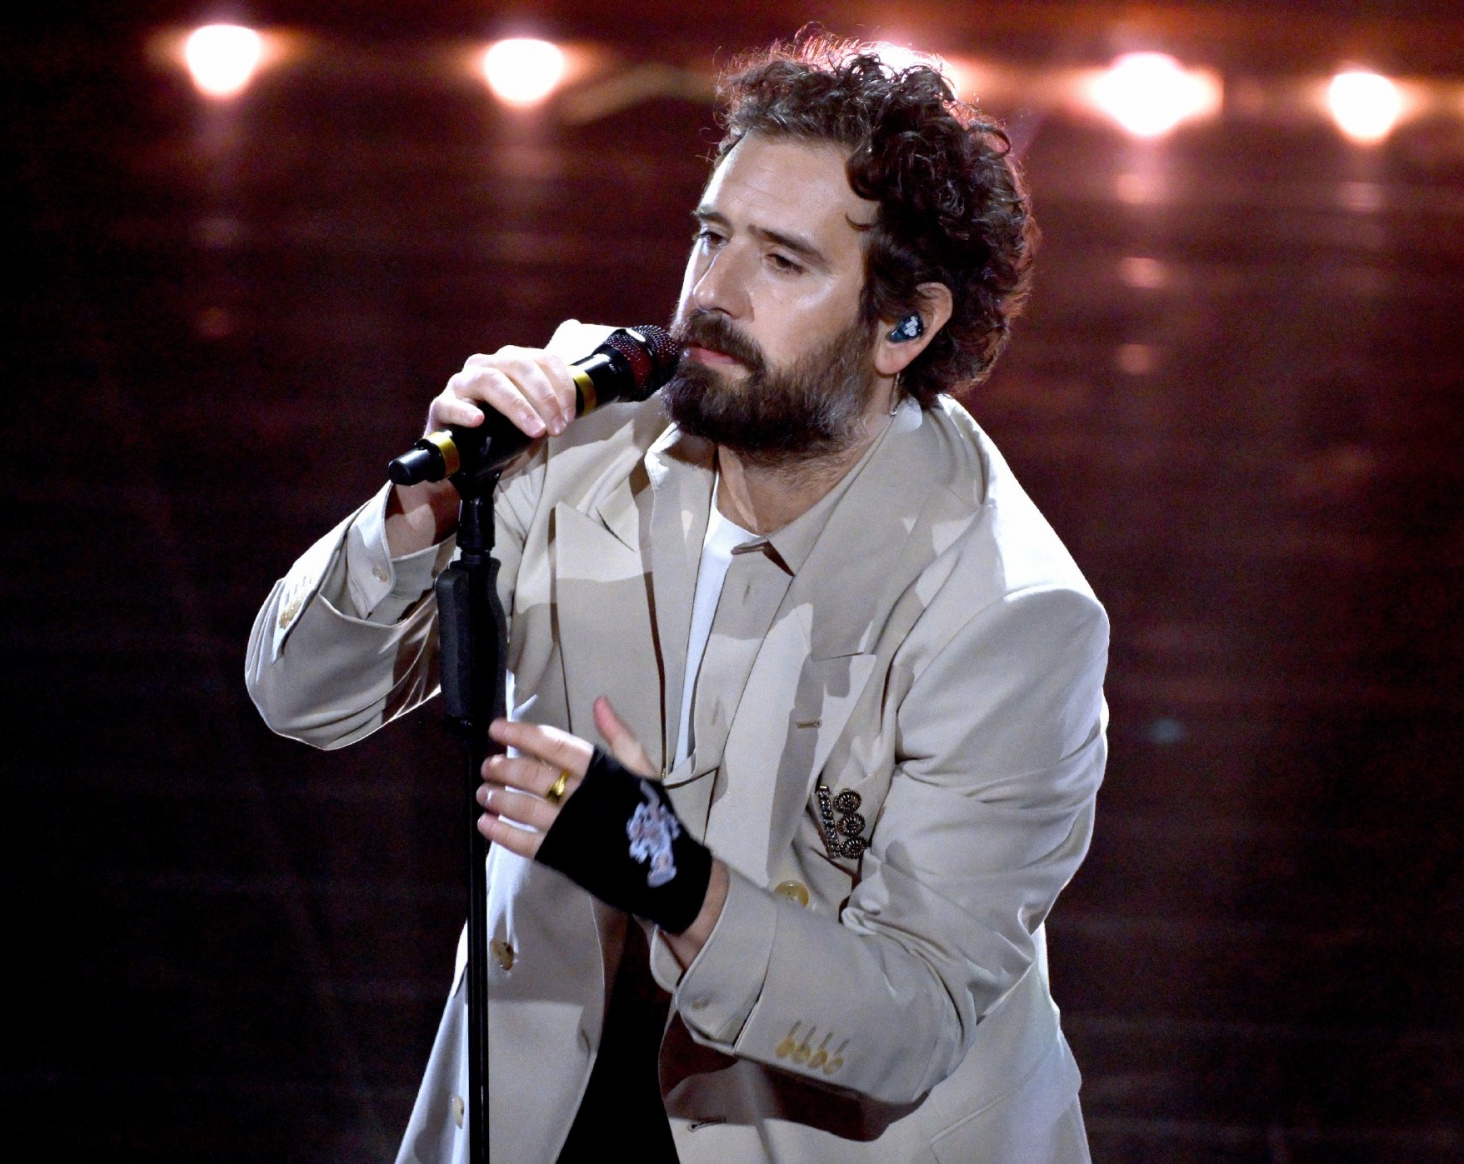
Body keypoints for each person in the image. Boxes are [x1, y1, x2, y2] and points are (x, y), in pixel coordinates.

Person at [247, 31, 1107, 1164]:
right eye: (711, 236)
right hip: (550, 1103)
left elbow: (914, 1020)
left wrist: (669, 875)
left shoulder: (1011, 614)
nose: (711, 294)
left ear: (905, 324)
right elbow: (300, 700)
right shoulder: (579, 423)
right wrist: (419, 513)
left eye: (782, 262)